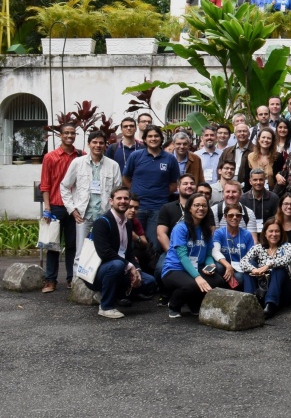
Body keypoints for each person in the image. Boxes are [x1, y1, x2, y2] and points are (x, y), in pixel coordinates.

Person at [84, 187, 157, 319]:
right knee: (116, 265)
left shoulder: (127, 224)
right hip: (99, 271)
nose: (123, 201)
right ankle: (106, 307)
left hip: (120, 267)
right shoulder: (102, 222)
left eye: (126, 198)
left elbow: (128, 252)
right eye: (119, 198)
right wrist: (130, 266)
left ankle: (111, 294)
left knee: (148, 281)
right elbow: (105, 253)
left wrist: (137, 269)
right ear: (111, 201)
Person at [60, 130, 122, 271]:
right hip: (83, 215)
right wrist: (72, 209)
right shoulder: (78, 163)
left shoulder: (113, 165)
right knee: (81, 252)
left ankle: (99, 279)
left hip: (104, 216)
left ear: (105, 145)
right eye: (94, 142)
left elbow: (117, 191)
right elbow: (64, 186)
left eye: (101, 143)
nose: (97, 145)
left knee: (104, 250)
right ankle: (77, 282)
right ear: (89, 144)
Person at [160, 194, 228, 318]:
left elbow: (208, 254)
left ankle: (194, 303)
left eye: (204, 205)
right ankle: (174, 305)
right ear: (189, 208)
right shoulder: (180, 228)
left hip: (196, 267)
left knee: (217, 281)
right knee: (191, 285)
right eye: (197, 205)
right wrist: (197, 277)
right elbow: (183, 256)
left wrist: (210, 265)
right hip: (175, 269)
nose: (201, 208)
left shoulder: (206, 229)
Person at [39, 124, 83, 292]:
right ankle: (50, 280)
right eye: (66, 133)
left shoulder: (81, 155)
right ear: (60, 135)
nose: (69, 136)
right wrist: (47, 208)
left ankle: (72, 278)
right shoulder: (50, 157)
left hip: (75, 207)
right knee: (53, 245)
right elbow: (45, 184)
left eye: (72, 133)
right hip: (56, 206)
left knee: (73, 244)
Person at [123, 125, 180, 243]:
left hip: (159, 208)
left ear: (161, 138)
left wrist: (161, 192)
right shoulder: (135, 156)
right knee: (134, 242)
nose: (153, 139)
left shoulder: (170, 159)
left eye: (156, 136)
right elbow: (126, 178)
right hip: (137, 208)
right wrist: (135, 192)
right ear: (144, 139)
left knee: (154, 244)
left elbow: (174, 184)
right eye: (150, 136)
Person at [241, 218, 291, 318]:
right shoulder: (258, 248)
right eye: (271, 231)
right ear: (265, 233)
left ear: (281, 233)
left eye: (277, 231)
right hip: (263, 287)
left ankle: (270, 304)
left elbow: (287, 259)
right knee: (249, 267)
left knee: (279, 268)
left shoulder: (288, 246)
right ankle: (250, 302)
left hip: (283, 289)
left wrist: (268, 266)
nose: (274, 234)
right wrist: (254, 270)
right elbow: (243, 261)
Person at [211, 201, 256, 291]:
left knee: (239, 278)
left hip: (241, 267)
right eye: (231, 215)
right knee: (218, 267)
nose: (234, 218)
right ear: (225, 217)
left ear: (241, 217)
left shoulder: (247, 234)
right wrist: (228, 266)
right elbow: (215, 251)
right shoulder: (219, 233)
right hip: (225, 266)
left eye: (238, 215)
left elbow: (250, 256)